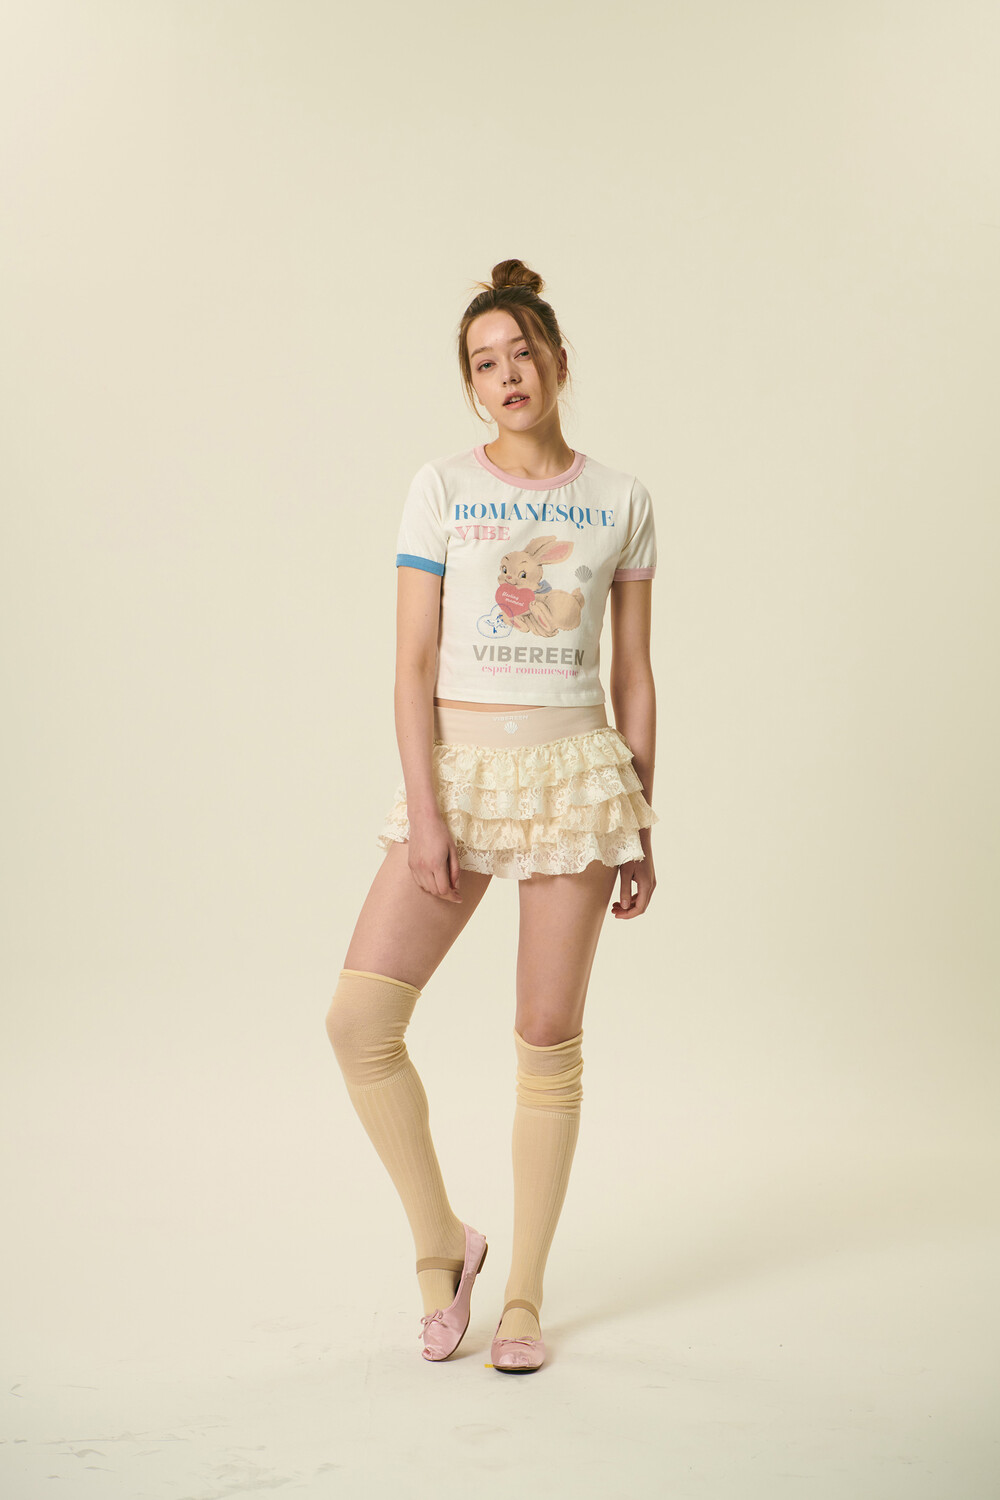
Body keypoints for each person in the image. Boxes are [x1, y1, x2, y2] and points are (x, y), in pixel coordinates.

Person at [325, 258, 658, 1374]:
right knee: (359, 1023)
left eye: (522, 354)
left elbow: (634, 674)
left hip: (575, 778)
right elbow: (411, 663)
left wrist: (639, 822)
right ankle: (443, 1247)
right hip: (461, 778)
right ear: (470, 386)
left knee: (546, 1038)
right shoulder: (441, 488)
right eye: (484, 363)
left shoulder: (622, 500)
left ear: (558, 361)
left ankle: (522, 1297)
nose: (507, 375)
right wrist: (426, 811)